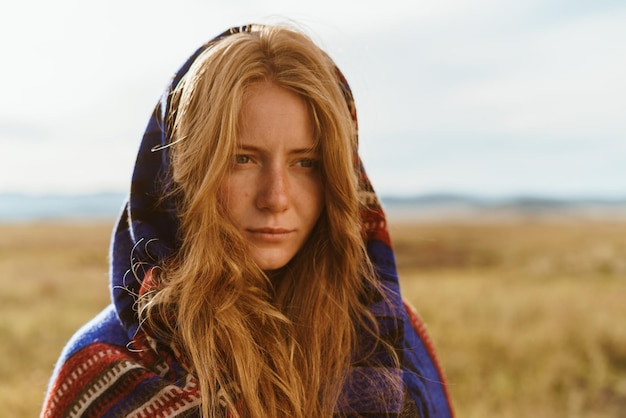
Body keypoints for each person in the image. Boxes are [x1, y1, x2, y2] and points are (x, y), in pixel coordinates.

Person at [41, 24, 454, 417]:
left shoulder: (388, 333)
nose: (275, 198)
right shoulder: (105, 364)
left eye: (306, 163)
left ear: (340, 178)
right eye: (243, 159)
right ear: (183, 172)